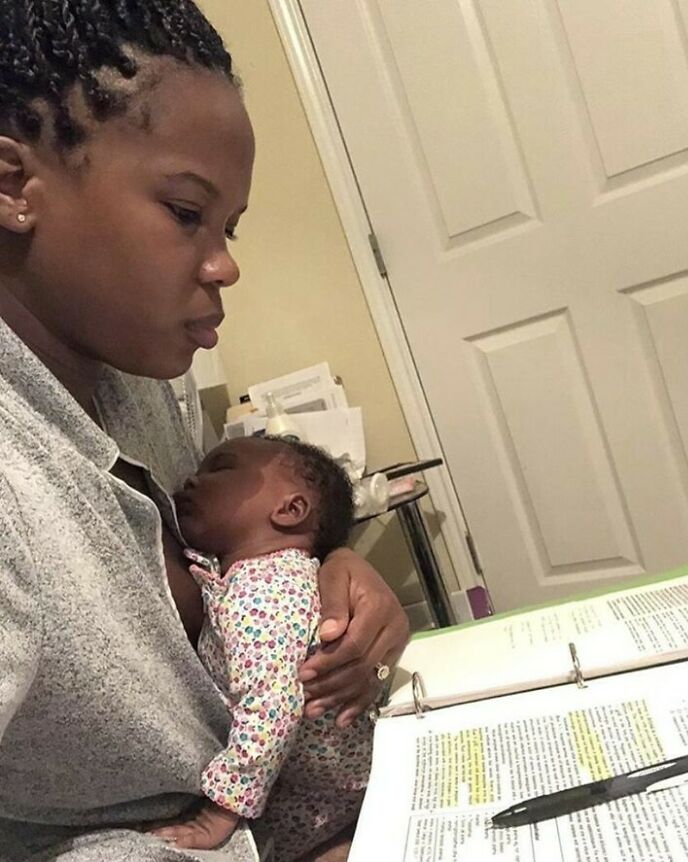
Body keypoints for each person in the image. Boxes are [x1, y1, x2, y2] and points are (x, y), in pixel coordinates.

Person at [0, 3, 409, 861]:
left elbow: (224, 552)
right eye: (187, 214)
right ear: (13, 186)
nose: (225, 264)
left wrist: (323, 562)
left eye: (230, 227)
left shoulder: (146, 383)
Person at [150, 435, 373, 859]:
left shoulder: (264, 592)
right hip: (319, 787)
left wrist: (221, 809)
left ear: (290, 510)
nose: (191, 481)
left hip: (330, 800)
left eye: (220, 468)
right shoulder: (255, 577)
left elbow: (271, 706)